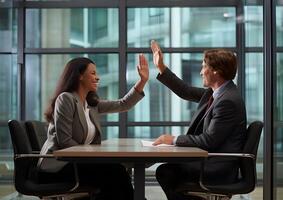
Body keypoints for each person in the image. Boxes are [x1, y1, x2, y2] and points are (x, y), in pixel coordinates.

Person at [38, 55, 149, 200]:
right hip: (59, 167)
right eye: (93, 73)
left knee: (117, 173)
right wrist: (94, 156)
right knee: (116, 173)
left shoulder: (91, 104)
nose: (97, 77)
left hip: (79, 163)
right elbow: (65, 142)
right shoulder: (66, 99)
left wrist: (142, 81)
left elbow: (123, 104)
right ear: (79, 76)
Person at [150, 40, 247, 200]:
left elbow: (209, 140)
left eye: (204, 67)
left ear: (216, 71)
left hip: (218, 167)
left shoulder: (227, 101)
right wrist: (161, 67)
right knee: (167, 172)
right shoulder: (216, 93)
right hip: (212, 160)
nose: (201, 72)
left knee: (166, 172)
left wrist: (173, 139)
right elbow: (185, 91)